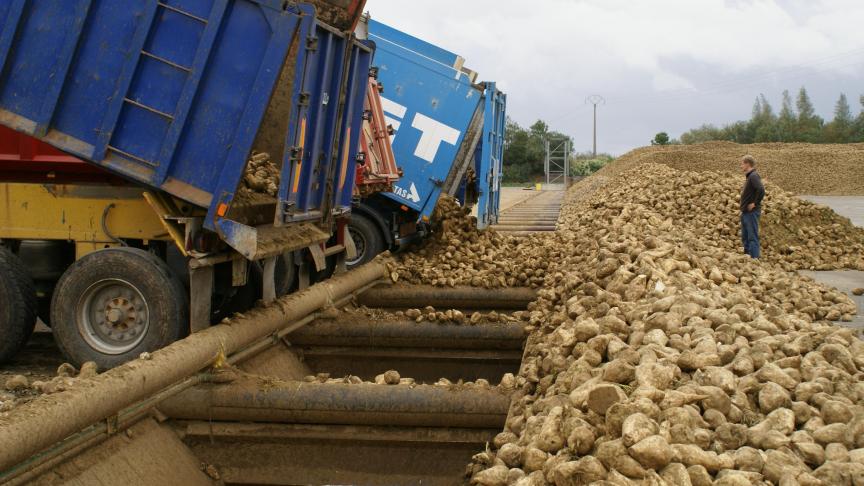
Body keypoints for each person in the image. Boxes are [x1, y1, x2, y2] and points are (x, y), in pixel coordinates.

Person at [740, 155, 765, 259]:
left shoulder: (753, 176)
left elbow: (761, 189)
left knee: (752, 237)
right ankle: (747, 258)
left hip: (751, 212)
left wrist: (754, 203)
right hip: (746, 212)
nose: (741, 166)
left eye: (742, 163)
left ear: (747, 164)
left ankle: (754, 260)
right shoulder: (750, 176)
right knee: (745, 237)